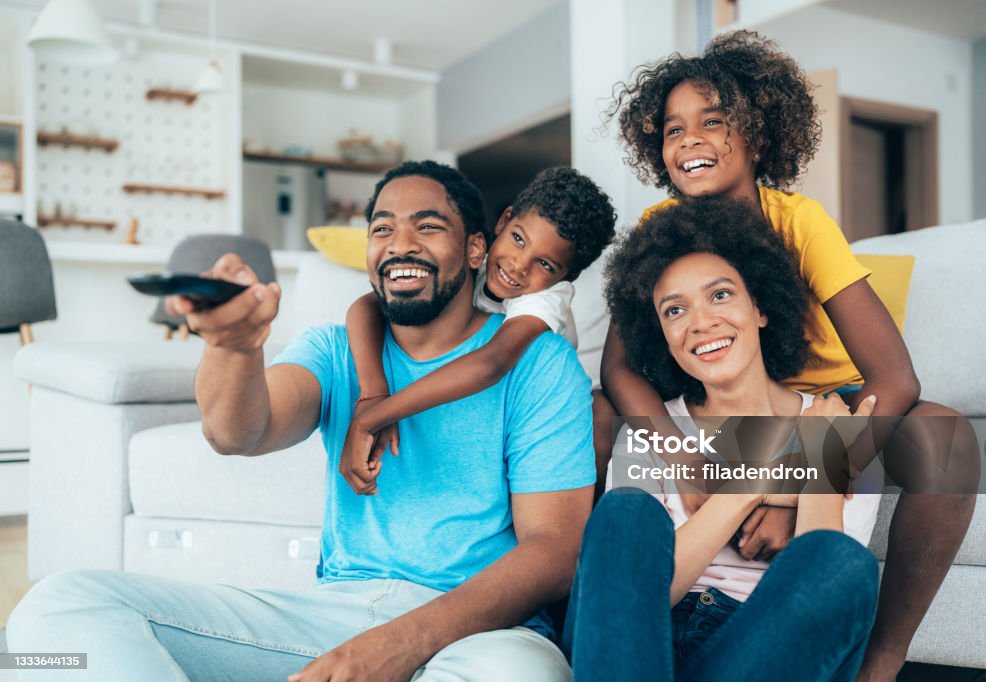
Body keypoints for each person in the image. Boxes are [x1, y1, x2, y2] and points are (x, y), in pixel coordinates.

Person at [7, 161, 595, 682]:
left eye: (428, 225)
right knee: (57, 608)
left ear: (474, 249)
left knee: (523, 675)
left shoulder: (539, 362)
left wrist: (397, 645)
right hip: (332, 616)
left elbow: (555, 551)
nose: (400, 243)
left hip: (479, 633)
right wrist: (235, 346)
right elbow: (238, 432)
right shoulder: (336, 348)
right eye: (382, 228)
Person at [598, 30, 978, 680]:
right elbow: (618, 368)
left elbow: (893, 375)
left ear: (759, 135)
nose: (688, 140)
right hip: (717, 406)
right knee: (602, 412)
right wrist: (683, 458)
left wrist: (792, 488)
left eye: (712, 123)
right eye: (672, 130)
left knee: (942, 434)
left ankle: (880, 661)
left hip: (822, 411)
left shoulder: (800, 223)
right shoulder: (662, 228)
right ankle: (587, 616)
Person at [565, 197, 881, 682]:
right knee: (623, 513)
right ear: (664, 338)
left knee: (845, 563)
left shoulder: (831, 422)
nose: (701, 322)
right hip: (641, 642)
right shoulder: (654, 433)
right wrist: (755, 484)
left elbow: (822, 581)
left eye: (720, 295)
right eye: (675, 310)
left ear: (760, 308)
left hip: (759, 647)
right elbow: (644, 595)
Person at [339, 167, 616, 496]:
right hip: (481, 393)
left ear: (566, 277)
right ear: (504, 221)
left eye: (545, 264)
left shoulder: (547, 298)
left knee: (602, 413)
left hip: (539, 399)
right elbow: (365, 307)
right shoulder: (474, 257)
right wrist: (372, 394)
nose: (517, 264)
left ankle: (586, 514)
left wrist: (371, 419)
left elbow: (492, 363)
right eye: (517, 239)